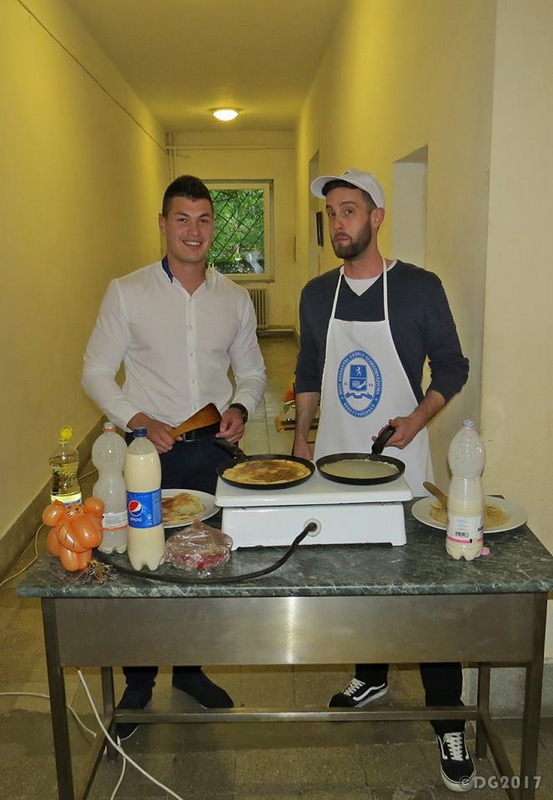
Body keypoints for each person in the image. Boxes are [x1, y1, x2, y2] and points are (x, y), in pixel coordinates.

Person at [293, 168, 473, 792]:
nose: (338, 223)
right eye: (331, 213)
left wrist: (417, 419)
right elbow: (309, 367)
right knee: (356, 576)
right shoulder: (317, 294)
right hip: (336, 466)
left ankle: (448, 718)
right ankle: (370, 675)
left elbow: (452, 365)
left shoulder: (420, 288)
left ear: (377, 217)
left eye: (349, 210)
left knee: (426, 595)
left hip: (403, 467)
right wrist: (300, 442)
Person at [82, 174, 266, 738]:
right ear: (163, 224)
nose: (194, 230)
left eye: (204, 219)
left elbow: (253, 372)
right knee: (142, 565)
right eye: (182, 219)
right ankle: (138, 684)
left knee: (202, 561)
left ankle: (190, 670)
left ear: (213, 227)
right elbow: (95, 371)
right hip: (146, 454)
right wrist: (137, 419)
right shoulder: (127, 292)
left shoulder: (234, 299)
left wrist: (240, 406)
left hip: (211, 451)